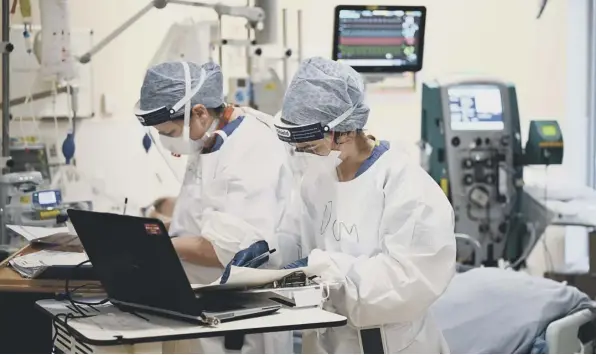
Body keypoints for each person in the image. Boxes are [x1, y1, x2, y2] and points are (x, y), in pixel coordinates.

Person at [272, 57, 457, 353]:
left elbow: (407, 281)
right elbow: (296, 240)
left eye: (311, 147)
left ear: (344, 132)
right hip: (328, 341)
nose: (306, 156)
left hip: (388, 344)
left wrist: (324, 270)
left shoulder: (405, 185)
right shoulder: (316, 179)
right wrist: (265, 255)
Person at [134, 60, 293, 353]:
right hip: (201, 308)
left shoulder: (252, 147)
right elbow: (195, 221)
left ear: (200, 113)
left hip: (238, 324)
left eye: (168, 132)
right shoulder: (206, 138)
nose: (166, 141)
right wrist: (145, 232)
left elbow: (230, 252)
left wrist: (150, 245)